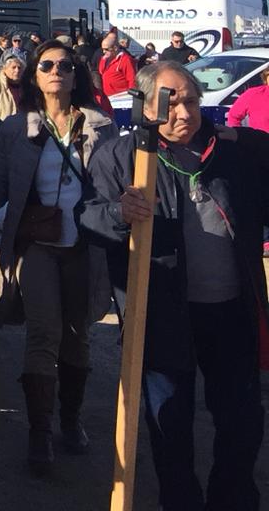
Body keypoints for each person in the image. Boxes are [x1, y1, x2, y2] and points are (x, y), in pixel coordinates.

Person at [82, 60, 269, 509]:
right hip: (162, 313)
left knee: (242, 422)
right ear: (146, 106)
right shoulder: (120, 156)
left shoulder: (229, 150)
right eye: (171, 103)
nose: (184, 113)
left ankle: (231, 500)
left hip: (230, 310)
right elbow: (88, 217)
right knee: (170, 426)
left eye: (191, 101)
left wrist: (243, 136)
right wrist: (117, 214)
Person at [0, 40, 114, 477]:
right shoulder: (14, 128)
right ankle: (38, 431)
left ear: (75, 76)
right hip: (37, 243)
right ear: (35, 76)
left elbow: (113, 186)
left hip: (85, 243)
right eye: (46, 65)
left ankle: (71, 418)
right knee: (44, 333)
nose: (56, 70)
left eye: (64, 65)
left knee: (77, 334)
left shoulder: (101, 126)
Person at [0, 48, 28, 121]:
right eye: (13, 67)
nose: (17, 70)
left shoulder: (28, 87)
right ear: (5, 68)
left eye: (19, 68)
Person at [97, 30, 138, 102]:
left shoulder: (126, 60)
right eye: (102, 49)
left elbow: (132, 81)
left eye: (106, 49)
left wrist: (132, 100)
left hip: (121, 99)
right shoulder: (104, 59)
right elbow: (101, 73)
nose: (103, 52)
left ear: (115, 48)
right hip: (107, 98)